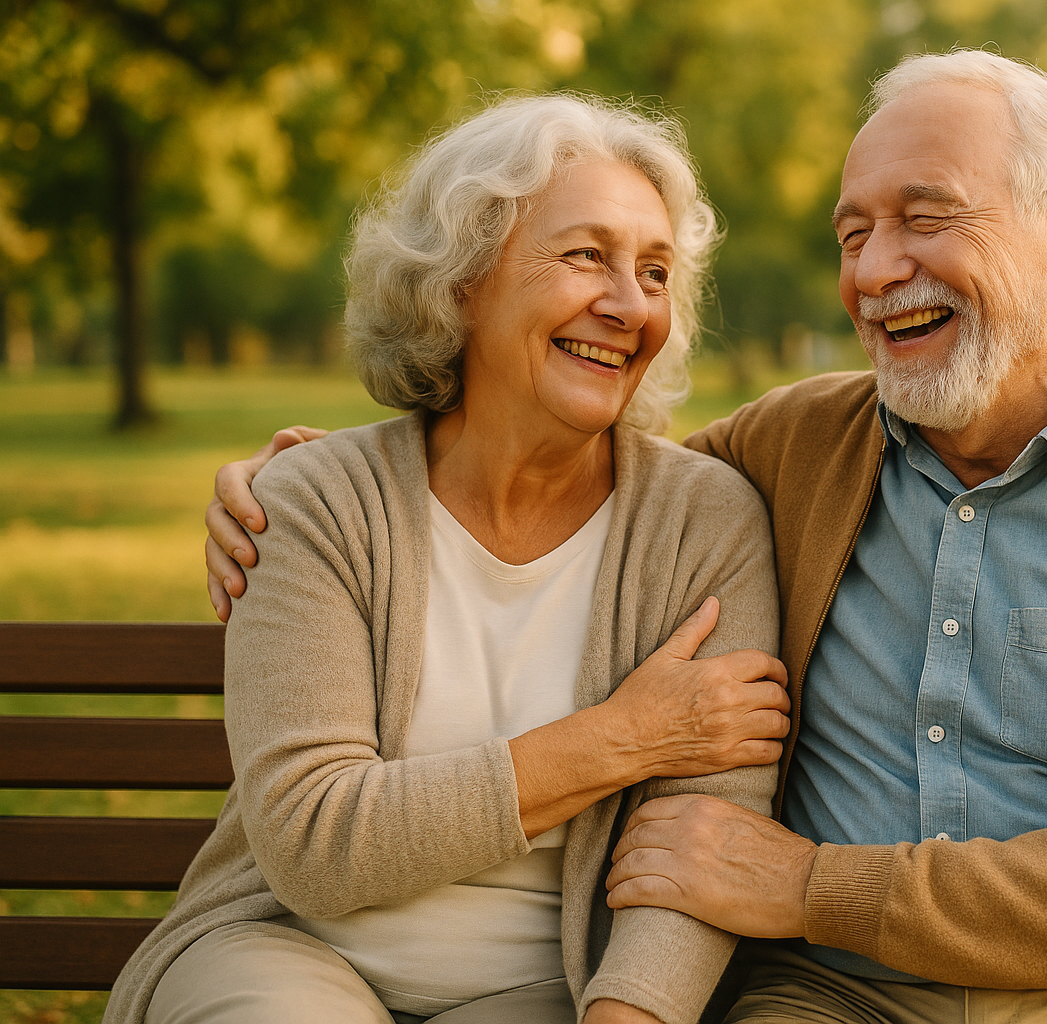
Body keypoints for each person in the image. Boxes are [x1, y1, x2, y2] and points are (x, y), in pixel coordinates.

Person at [206, 52, 1047, 1024]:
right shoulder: (794, 448)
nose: (874, 270)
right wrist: (312, 477)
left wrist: (815, 889)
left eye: (924, 217)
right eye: (854, 232)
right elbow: (560, 463)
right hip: (834, 999)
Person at [112, 94, 794, 1024]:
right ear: (463, 279)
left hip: (550, 988)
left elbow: (711, 837)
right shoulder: (318, 501)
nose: (630, 303)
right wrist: (621, 737)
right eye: (586, 254)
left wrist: (626, 1014)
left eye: (657, 270)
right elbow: (314, 841)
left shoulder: (704, 522)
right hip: (285, 947)